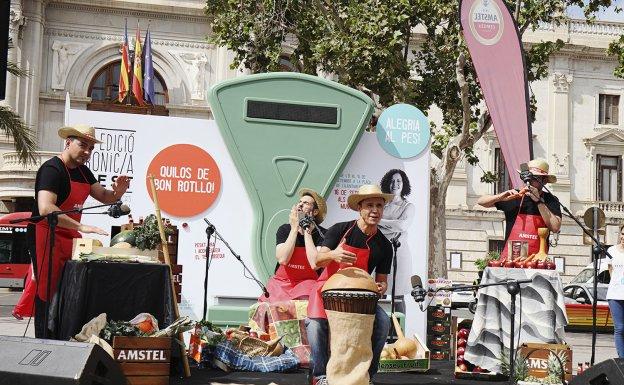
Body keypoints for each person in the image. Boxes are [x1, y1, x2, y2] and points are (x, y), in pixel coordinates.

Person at [28, 124, 130, 337]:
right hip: (47, 235)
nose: (87, 152)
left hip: (70, 236)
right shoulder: (51, 169)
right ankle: (43, 339)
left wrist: (118, 192)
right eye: (83, 145)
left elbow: (104, 196)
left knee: (68, 288)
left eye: (91, 148)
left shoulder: (84, 172)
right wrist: (80, 226)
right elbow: (46, 208)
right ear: (68, 142)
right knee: (47, 291)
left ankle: (63, 334)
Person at [306, 184, 393, 385]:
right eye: (369, 205)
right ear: (359, 208)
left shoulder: (384, 245)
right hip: (326, 292)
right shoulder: (340, 229)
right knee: (315, 325)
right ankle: (320, 376)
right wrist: (333, 254)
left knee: (383, 323)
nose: (375, 210)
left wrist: (381, 288)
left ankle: (367, 376)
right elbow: (316, 261)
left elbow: (382, 281)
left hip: (359, 296)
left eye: (379, 206)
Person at [476, 158, 562, 261]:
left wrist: (539, 201)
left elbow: (555, 227)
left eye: (534, 178)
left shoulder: (550, 200)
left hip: (537, 262)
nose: (529, 181)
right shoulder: (514, 196)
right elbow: (481, 201)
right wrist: (500, 196)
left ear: (544, 181)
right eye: (527, 178)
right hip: (511, 261)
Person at [259, 188, 326, 302]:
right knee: (268, 309)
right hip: (282, 284)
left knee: (303, 305)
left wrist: (307, 231)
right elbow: (283, 259)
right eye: (300, 202)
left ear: (315, 212)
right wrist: (294, 229)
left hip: (307, 284)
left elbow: (315, 263)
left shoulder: (323, 234)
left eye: (306, 203)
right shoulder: (285, 229)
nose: (300, 204)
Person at [378, 169, 415, 314]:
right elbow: (374, 225)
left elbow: (402, 226)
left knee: (398, 295)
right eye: (392, 181)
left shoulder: (408, 207)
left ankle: (400, 331)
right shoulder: (381, 204)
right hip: (380, 253)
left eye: (399, 181)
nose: (395, 184)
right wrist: (393, 224)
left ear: (404, 184)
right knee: (379, 293)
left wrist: (381, 221)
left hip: (399, 255)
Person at [607, 225, 624, 358]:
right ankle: (622, 360)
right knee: (620, 328)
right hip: (615, 295)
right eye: (622, 234)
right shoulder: (611, 251)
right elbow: (610, 270)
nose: (623, 237)